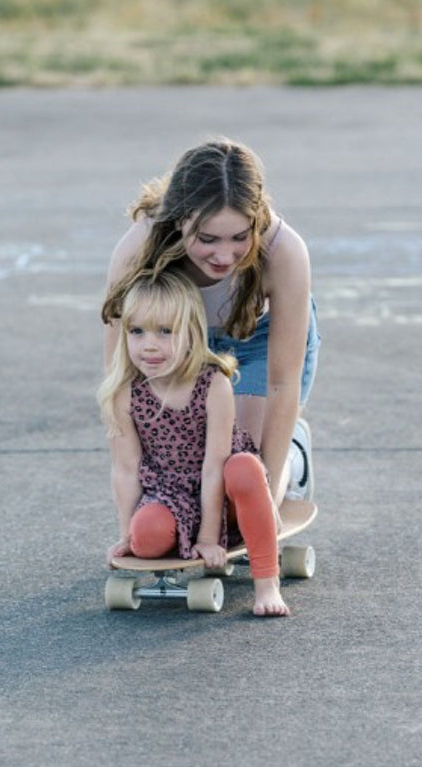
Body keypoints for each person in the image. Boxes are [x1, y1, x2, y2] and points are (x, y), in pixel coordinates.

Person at [102, 137, 320, 509]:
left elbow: (283, 383)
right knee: (188, 473)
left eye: (240, 237)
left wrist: (264, 495)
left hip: (258, 344)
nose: (224, 255)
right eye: (207, 239)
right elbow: (118, 374)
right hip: (184, 342)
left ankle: (295, 455)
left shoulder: (284, 250)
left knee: (242, 473)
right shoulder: (139, 247)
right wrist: (133, 491)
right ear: (179, 220)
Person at [98, 268, 290, 616]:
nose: (150, 345)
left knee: (244, 467)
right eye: (137, 332)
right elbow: (125, 470)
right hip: (172, 496)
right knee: (148, 537)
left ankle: (267, 582)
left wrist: (207, 538)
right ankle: (151, 535)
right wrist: (127, 537)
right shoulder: (125, 393)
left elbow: (213, 466)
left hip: (226, 491)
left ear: (192, 334)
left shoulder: (212, 384)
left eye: (165, 332)